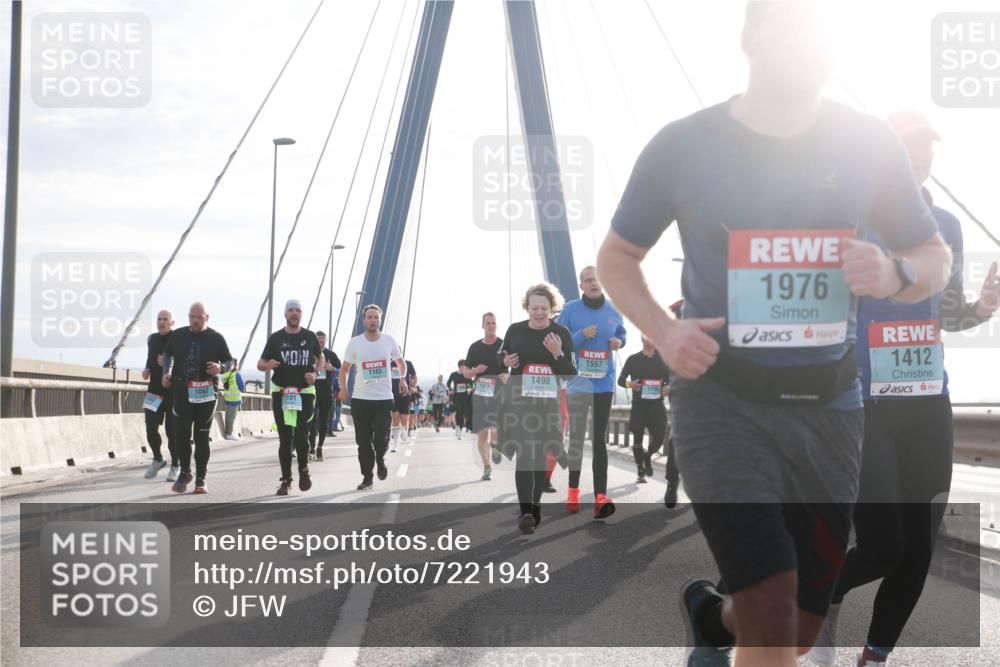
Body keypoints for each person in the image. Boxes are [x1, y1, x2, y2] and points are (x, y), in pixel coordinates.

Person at [597, 3, 952, 665]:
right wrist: (664, 330)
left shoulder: (868, 143)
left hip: (831, 409)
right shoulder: (684, 144)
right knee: (770, 599)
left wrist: (895, 270)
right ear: (749, 39)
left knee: (797, 621)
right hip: (719, 400)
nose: (808, 47)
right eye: (790, 30)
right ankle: (738, 615)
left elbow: (933, 256)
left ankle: (713, 615)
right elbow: (616, 256)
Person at [808, 111, 1000, 667]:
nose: (919, 156)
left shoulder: (946, 226)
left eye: (926, 149)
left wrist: (982, 308)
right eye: (906, 147)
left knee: (920, 546)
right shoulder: (847, 221)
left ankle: (876, 655)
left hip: (926, 403)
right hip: (864, 406)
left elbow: (951, 310)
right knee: (885, 545)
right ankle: (830, 590)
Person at [498, 282, 576, 535]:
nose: (539, 312)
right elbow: (503, 358)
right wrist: (506, 361)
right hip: (521, 403)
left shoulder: (561, 333)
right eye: (534, 308)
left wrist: (556, 353)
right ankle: (526, 512)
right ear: (527, 308)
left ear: (552, 308)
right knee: (526, 455)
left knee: (540, 458)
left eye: (544, 308)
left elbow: (570, 373)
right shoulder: (515, 331)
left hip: (548, 405)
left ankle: (536, 504)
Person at [558, 265, 626, 518]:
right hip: (579, 385)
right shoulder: (570, 309)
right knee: (576, 437)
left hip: (604, 383)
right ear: (581, 285)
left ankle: (600, 496)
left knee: (598, 438)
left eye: (597, 279)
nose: (593, 283)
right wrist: (579, 335)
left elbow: (622, 334)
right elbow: (560, 344)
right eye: (588, 280)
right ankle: (573, 490)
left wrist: (619, 342)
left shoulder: (614, 309)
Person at [162, 302, 235, 494]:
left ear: (207, 318)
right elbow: (167, 353)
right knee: (181, 434)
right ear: (188, 317)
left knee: (201, 437)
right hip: (182, 391)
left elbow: (230, 361)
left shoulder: (216, 338)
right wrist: (166, 372)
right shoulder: (178, 335)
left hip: (206, 392)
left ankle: (201, 478)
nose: (195, 321)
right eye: (192, 317)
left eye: (199, 317)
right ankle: (185, 472)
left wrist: (221, 368)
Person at [338, 305, 407, 491]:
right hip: (361, 399)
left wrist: (402, 379)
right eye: (369, 317)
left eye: (376, 317)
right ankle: (367, 478)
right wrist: (343, 388)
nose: (373, 320)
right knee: (363, 442)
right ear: (364, 320)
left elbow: (401, 363)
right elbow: (344, 369)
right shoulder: (355, 343)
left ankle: (380, 458)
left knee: (380, 439)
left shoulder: (389, 341)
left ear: (380, 320)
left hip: (384, 399)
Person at [258, 300, 322, 496]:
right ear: (285, 314)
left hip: (304, 393)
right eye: (291, 310)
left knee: (302, 435)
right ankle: (286, 480)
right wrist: (268, 365)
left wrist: (316, 374)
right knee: (285, 439)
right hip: (282, 393)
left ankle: (303, 469)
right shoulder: (276, 338)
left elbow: (321, 358)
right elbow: (260, 363)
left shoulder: (310, 336)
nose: (294, 313)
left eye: (298, 310)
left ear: (302, 314)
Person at [617, 334, 670, 485]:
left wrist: (668, 387)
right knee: (638, 439)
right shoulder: (633, 359)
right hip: (639, 406)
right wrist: (629, 385)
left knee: (659, 438)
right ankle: (640, 469)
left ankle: (647, 456)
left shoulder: (663, 359)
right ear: (641, 338)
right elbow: (621, 380)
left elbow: (670, 380)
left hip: (657, 406)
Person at [465, 312, 505, 480]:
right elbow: (466, 373)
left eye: (493, 323)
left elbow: (515, 365)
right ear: (483, 326)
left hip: (499, 393)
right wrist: (475, 371)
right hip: (481, 395)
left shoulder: (504, 345)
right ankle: (487, 467)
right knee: (482, 433)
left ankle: (495, 446)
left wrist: (509, 375)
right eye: (488, 323)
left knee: (495, 430)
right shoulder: (475, 347)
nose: (491, 325)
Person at [142, 309, 178, 480]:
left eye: (165, 319)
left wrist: (171, 363)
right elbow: (150, 357)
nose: (161, 322)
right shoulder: (152, 338)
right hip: (154, 390)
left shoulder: (178, 338)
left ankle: (176, 465)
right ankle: (157, 458)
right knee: (150, 427)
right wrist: (147, 368)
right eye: (159, 319)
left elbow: (186, 361)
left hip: (172, 392)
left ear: (172, 323)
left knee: (172, 432)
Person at [308, 331, 341, 461]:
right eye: (319, 339)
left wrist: (332, 368)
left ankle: (320, 448)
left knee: (323, 421)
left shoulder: (331, 354)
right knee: (311, 421)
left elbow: (342, 369)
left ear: (326, 341)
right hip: (311, 391)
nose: (321, 341)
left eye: (323, 339)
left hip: (326, 391)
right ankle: (311, 448)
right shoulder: (309, 353)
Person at [390, 357, 417, 451]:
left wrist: (413, 386)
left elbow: (414, 376)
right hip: (392, 395)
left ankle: (403, 429)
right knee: (395, 417)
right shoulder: (389, 363)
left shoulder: (408, 363)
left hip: (405, 394)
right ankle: (395, 444)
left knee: (404, 420)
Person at [448, 360, 473, 439]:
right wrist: (450, 389)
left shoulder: (467, 375)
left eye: (465, 366)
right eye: (464, 366)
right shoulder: (453, 374)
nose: (465, 368)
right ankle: (458, 427)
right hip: (456, 396)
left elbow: (471, 384)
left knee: (462, 413)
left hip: (465, 396)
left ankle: (460, 428)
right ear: (460, 366)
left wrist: (469, 389)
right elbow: (448, 383)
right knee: (458, 412)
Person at [220, 362, 244, 441]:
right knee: (231, 417)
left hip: (227, 398)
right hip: (235, 399)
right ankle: (229, 434)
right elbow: (242, 388)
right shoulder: (236, 375)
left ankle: (227, 433)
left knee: (227, 416)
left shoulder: (224, 375)